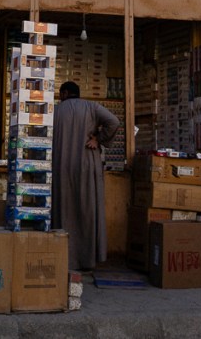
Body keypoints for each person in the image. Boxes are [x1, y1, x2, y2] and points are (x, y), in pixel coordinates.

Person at [51, 80, 120, 272]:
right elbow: (114, 122)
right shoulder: (91, 107)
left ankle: (64, 258)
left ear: (64, 93)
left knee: (63, 210)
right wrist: (99, 139)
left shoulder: (55, 111)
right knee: (87, 211)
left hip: (61, 166)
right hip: (87, 166)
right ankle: (88, 260)